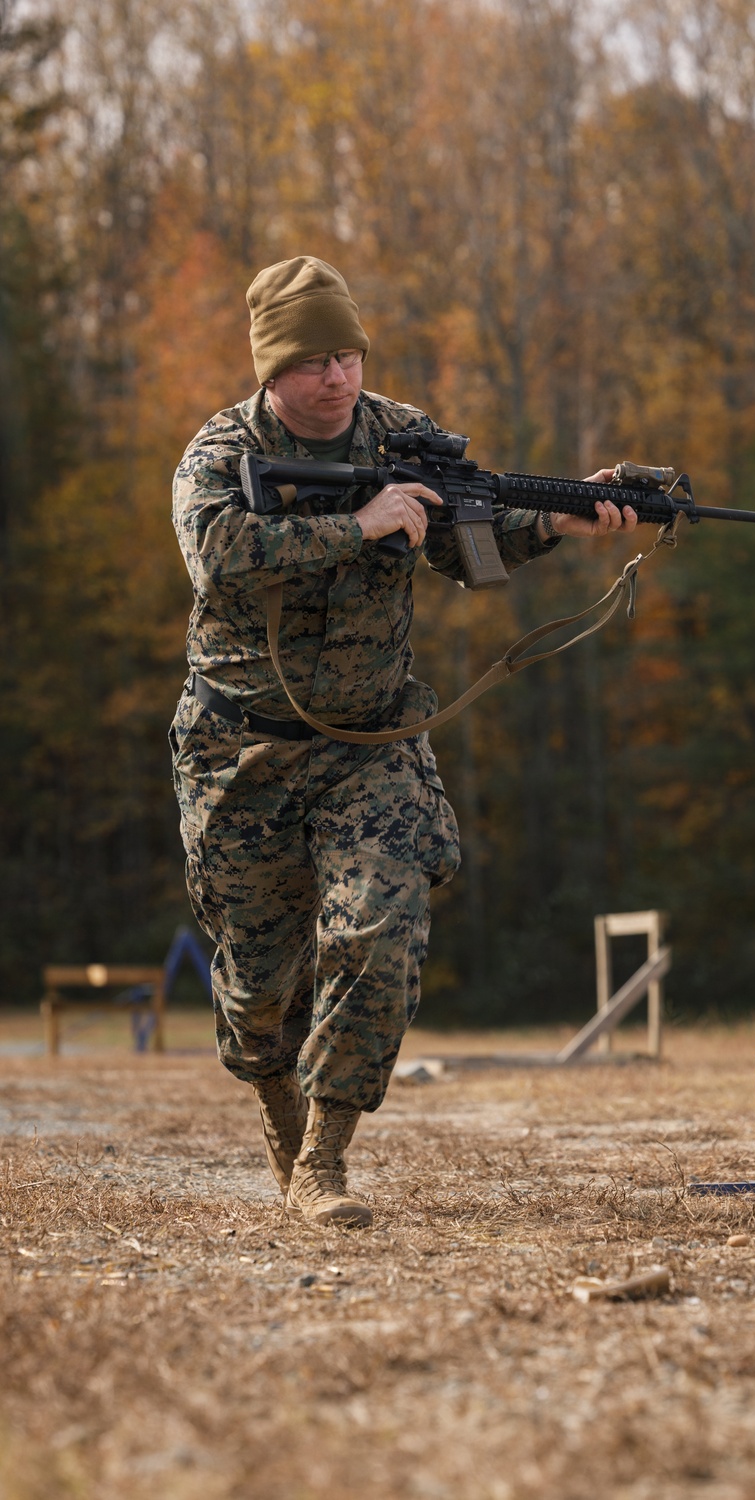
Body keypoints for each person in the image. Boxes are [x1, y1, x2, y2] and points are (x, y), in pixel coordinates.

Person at [171, 256, 637, 1228]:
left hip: (371, 742)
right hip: (239, 749)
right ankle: (280, 1112)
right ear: (269, 371)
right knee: (257, 992)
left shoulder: (406, 436)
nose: (335, 377)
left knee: (380, 928)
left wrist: (558, 517)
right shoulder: (219, 454)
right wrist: (358, 523)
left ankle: (327, 1159)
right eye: (310, 362)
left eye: (346, 354)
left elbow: (475, 546)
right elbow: (219, 559)